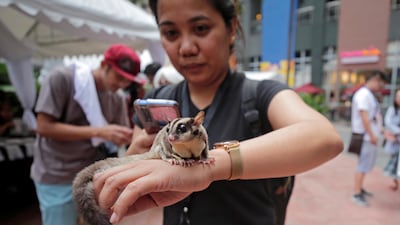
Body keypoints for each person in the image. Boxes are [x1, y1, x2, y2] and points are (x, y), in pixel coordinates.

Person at [93, 1, 343, 225]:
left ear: (231, 27)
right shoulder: (161, 99)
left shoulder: (260, 94)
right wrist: (140, 161)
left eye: (201, 28)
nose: (187, 48)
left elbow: (324, 138)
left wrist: (211, 166)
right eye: (171, 33)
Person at [30, 44, 142, 225]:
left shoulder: (117, 97)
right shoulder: (63, 79)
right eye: (119, 77)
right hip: (57, 172)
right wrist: (99, 131)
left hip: (92, 175)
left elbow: (120, 136)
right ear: (104, 65)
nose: (122, 84)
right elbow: (43, 126)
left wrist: (128, 137)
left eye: (127, 80)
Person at [350, 70, 386, 206]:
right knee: (362, 165)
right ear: (374, 80)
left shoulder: (368, 94)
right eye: (380, 82)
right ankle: (356, 193)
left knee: (364, 164)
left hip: (368, 136)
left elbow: (373, 117)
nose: (381, 85)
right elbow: (365, 117)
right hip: (365, 136)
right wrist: (372, 135)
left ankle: (360, 188)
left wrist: (379, 131)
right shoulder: (364, 94)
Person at [383, 88, 400, 191]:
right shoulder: (392, 109)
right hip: (394, 140)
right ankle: (395, 181)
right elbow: (388, 122)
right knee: (393, 161)